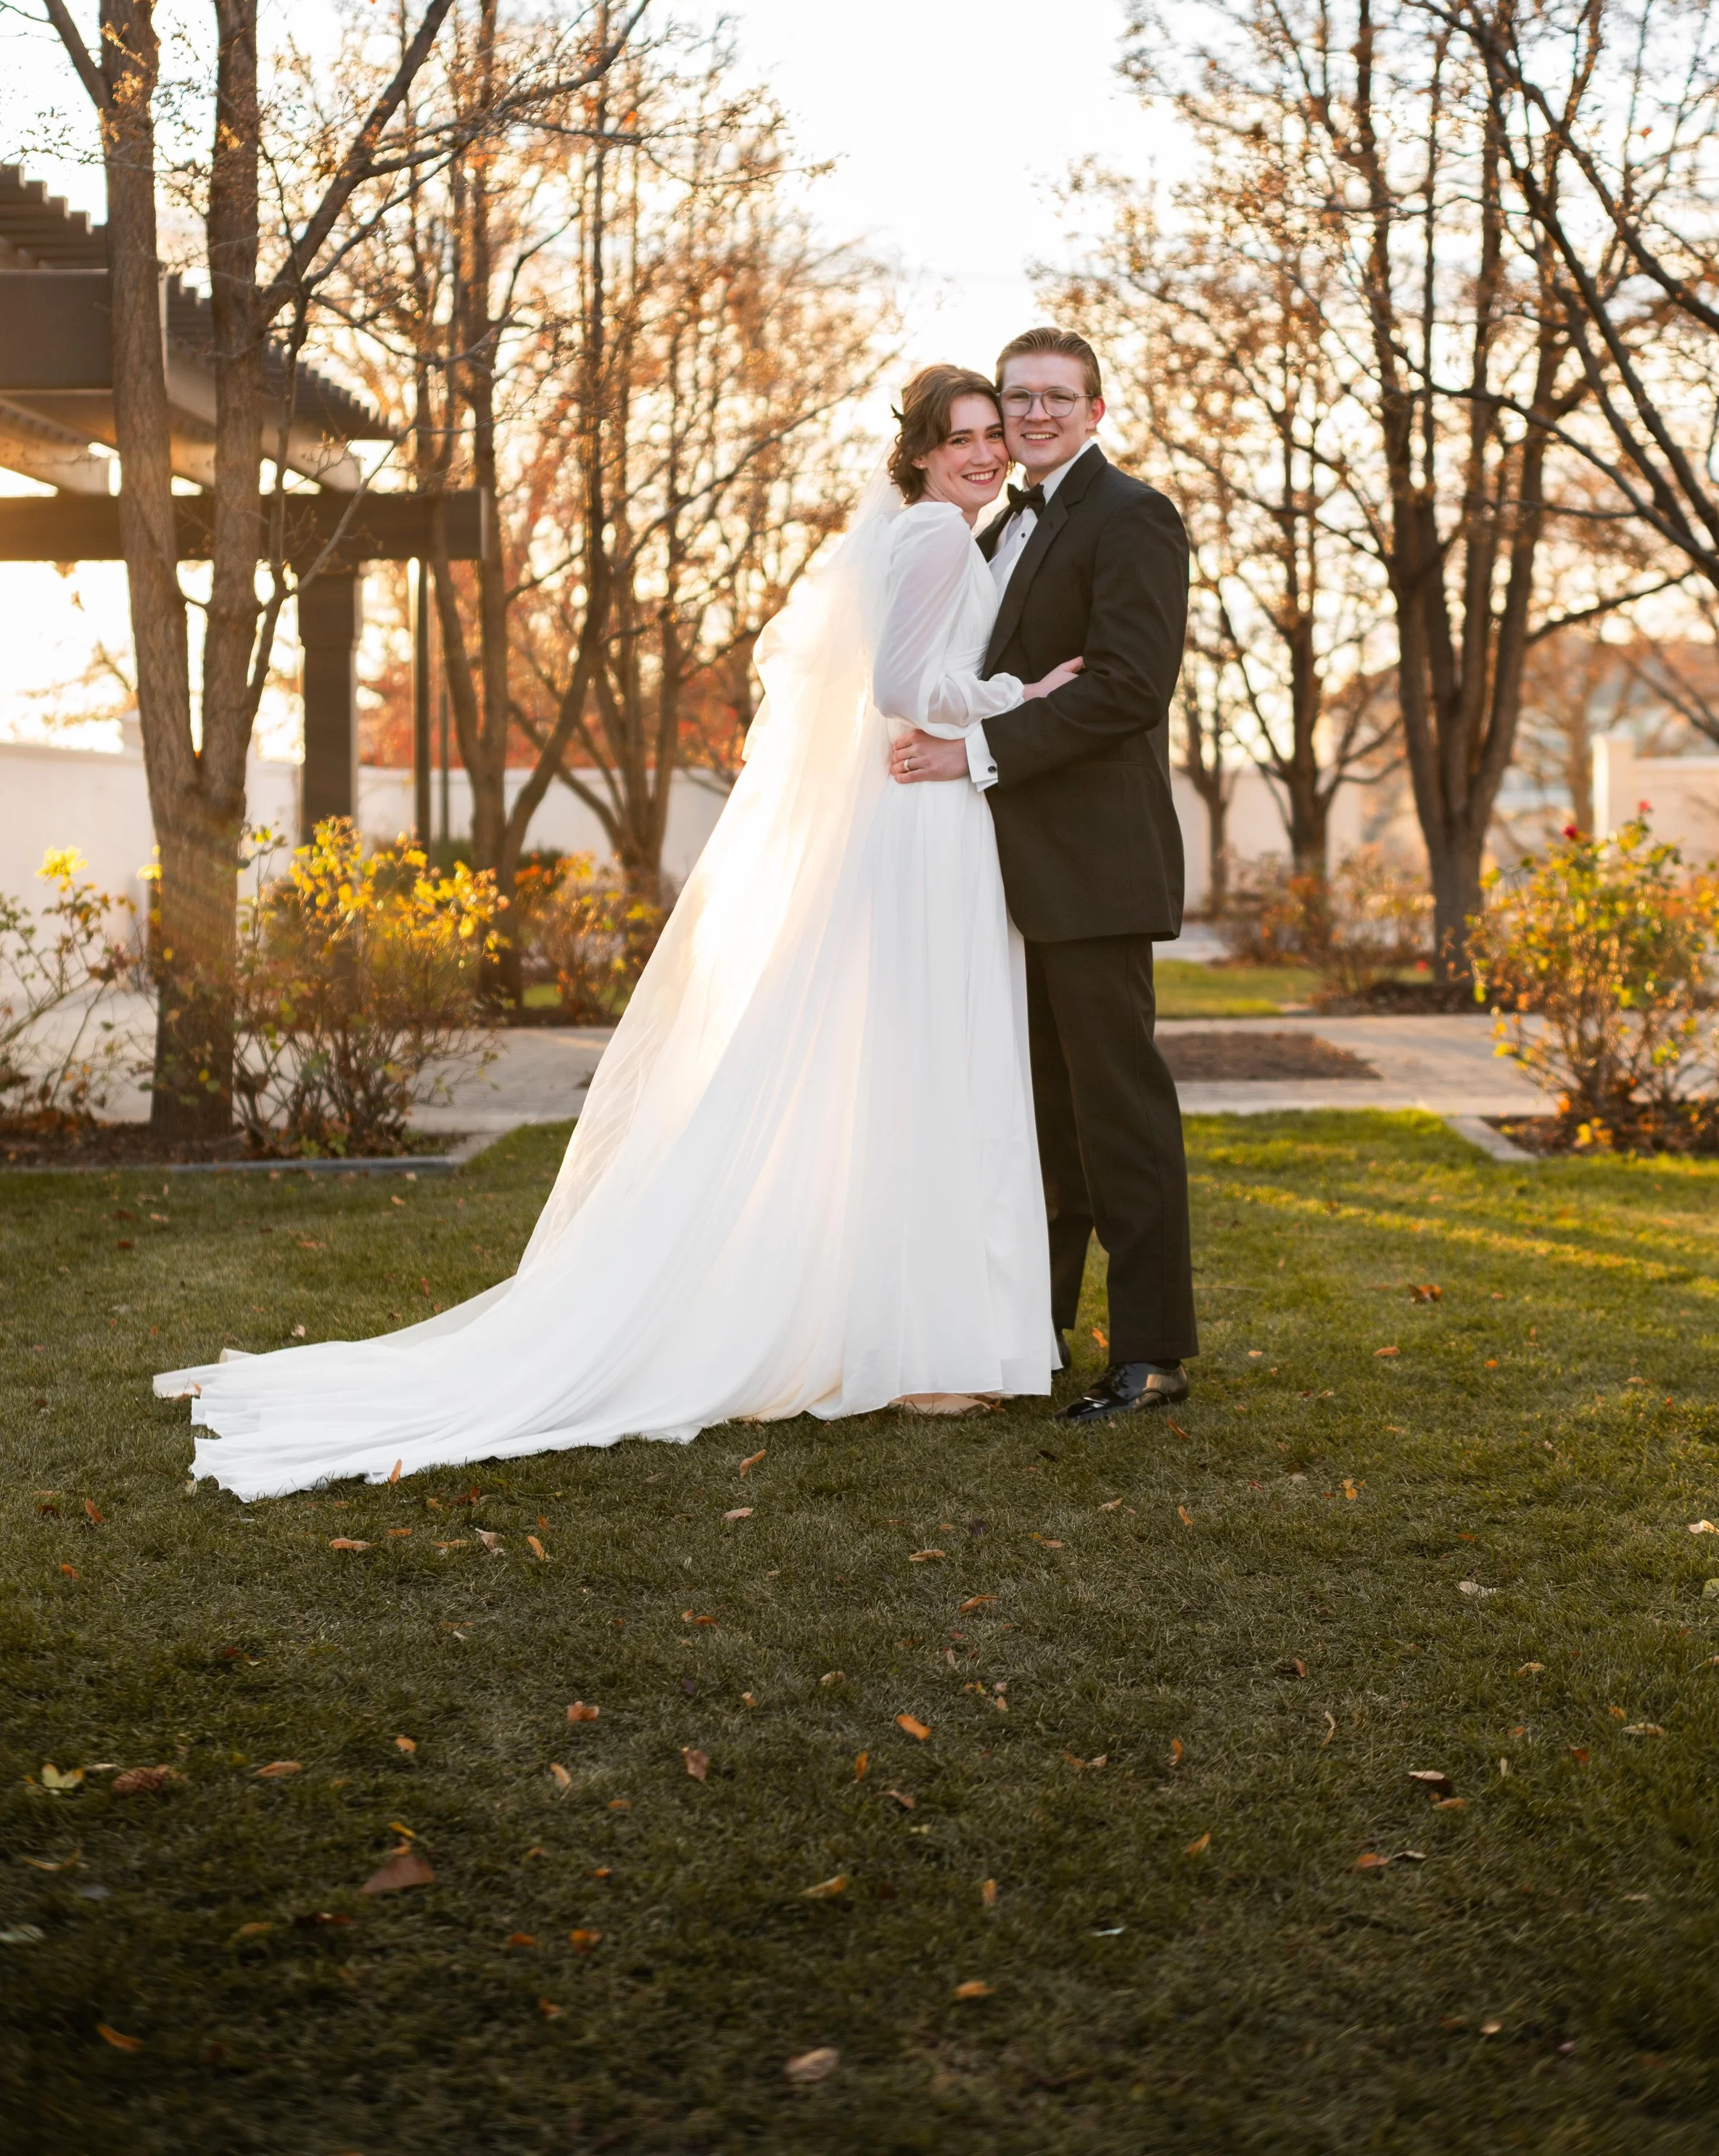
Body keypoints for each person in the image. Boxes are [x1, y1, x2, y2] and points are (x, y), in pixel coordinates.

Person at [154, 369, 1081, 1498]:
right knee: (927, 1064)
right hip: (925, 812)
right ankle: (921, 1348)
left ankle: (900, 1333)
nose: (987, 453)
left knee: (899, 1065)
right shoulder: (938, 532)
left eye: (996, 436)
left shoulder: (926, 529)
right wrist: (1020, 699)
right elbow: (899, 688)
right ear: (925, 453)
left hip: (919, 816)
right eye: (966, 438)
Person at [889, 326, 1198, 1425]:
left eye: (1057, 399)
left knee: (1119, 1119)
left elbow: (1126, 687)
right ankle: (1041, 1333)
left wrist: (971, 751)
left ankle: (1153, 1353)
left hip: (1094, 868)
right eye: (1018, 398)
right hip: (1003, 875)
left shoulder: (1134, 517)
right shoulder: (996, 529)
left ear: (1096, 411)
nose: (1034, 415)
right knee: (1042, 1128)